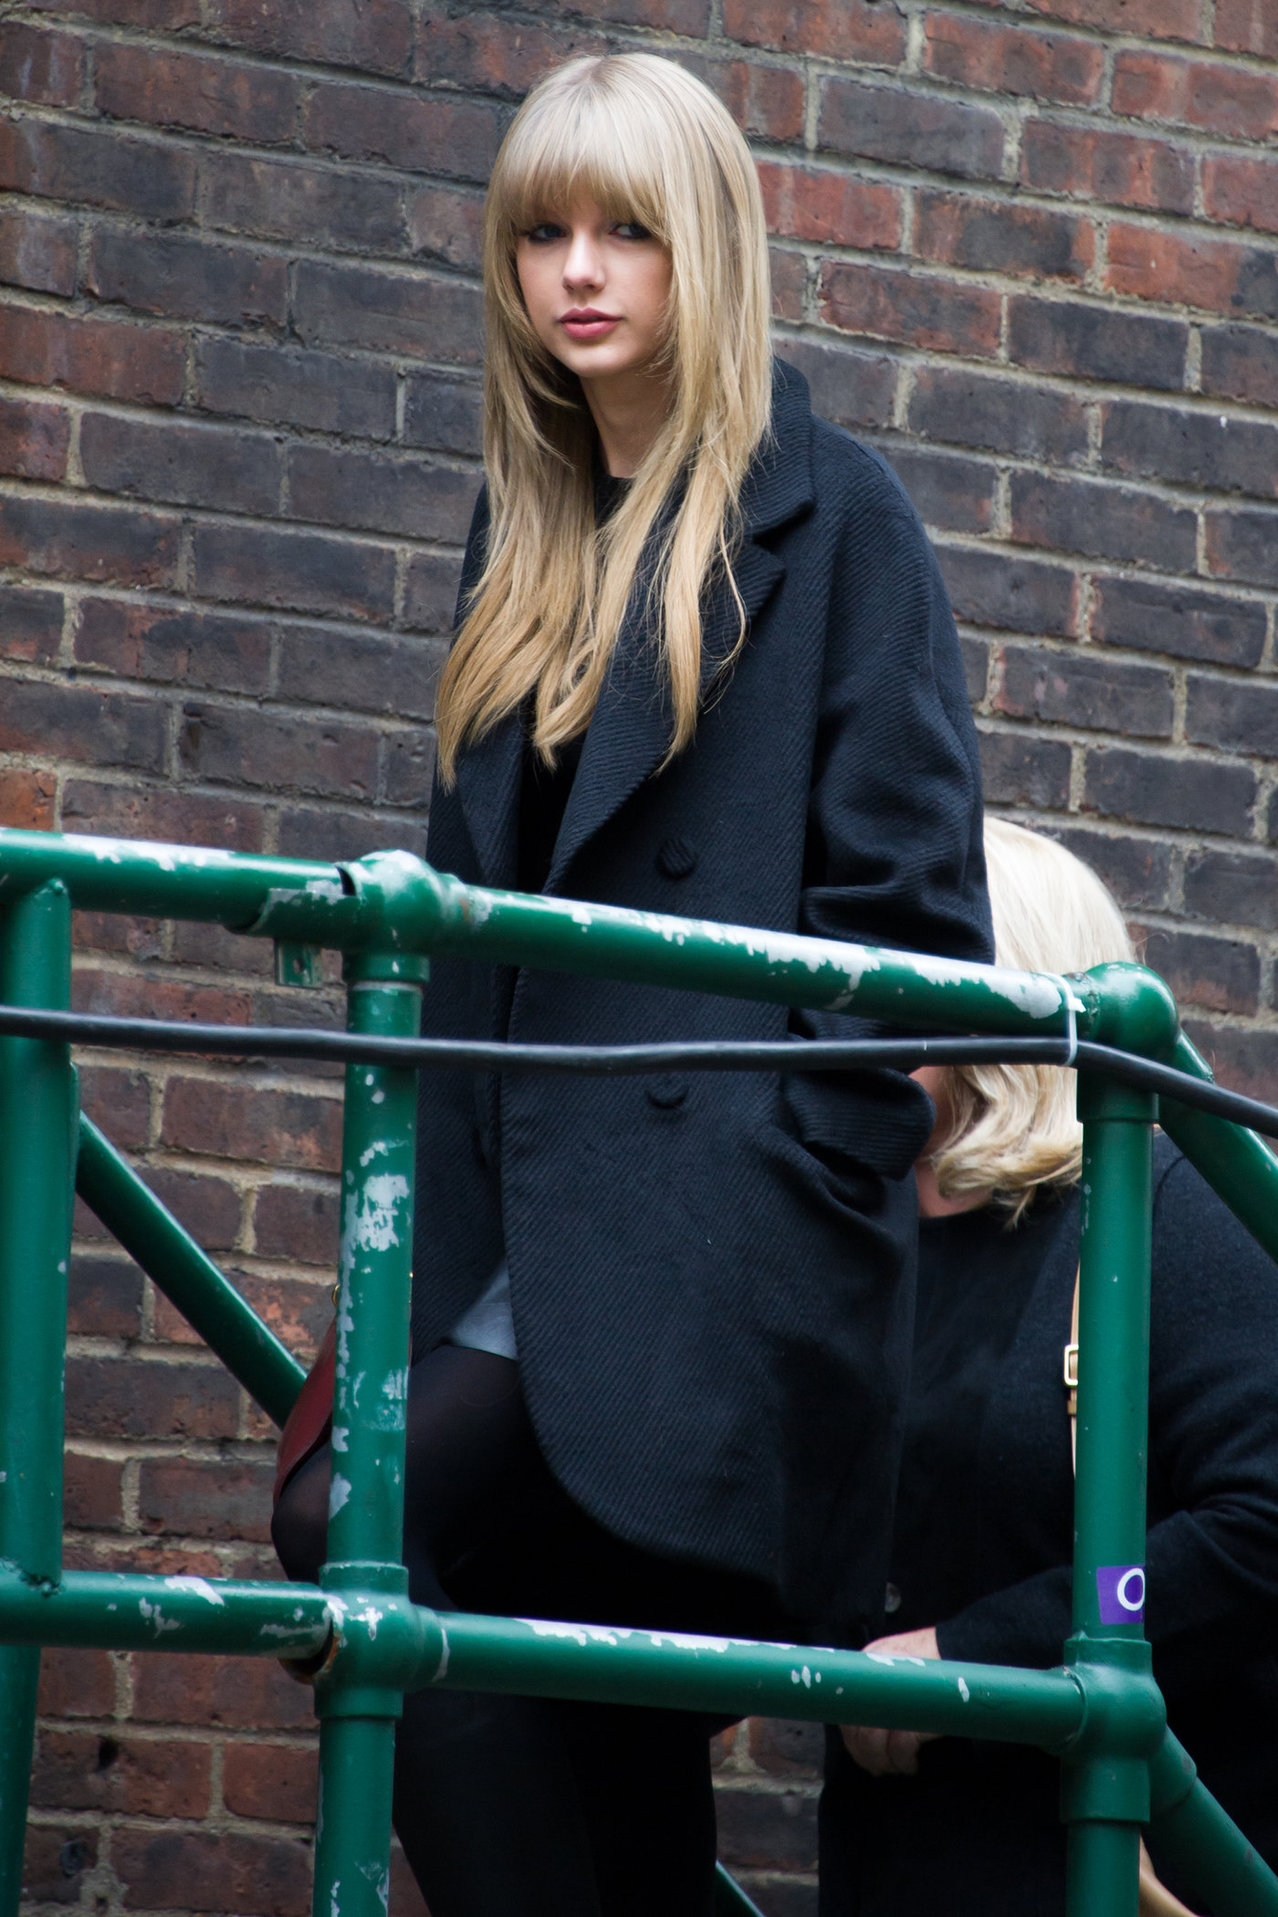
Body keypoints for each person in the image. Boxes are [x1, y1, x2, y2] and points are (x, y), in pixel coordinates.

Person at [273, 49, 993, 1917]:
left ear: (709, 250)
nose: (578, 273)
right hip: (512, 1224)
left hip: (708, 1246)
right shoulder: (520, 535)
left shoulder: (838, 523)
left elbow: (919, 934)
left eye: (626, 232)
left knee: (351, 1517)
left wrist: (786, 1172)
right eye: (541, 235)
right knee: (596, 1740)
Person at [823, 817, 1278, 1916]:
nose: (855, 1004)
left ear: (1007, 979)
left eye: (905, 963)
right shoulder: (860, 1230)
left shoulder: (1166, 1207)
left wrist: (975, 1652)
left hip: (1113, 1853)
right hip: (901, 1856)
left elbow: (1260, 1522)